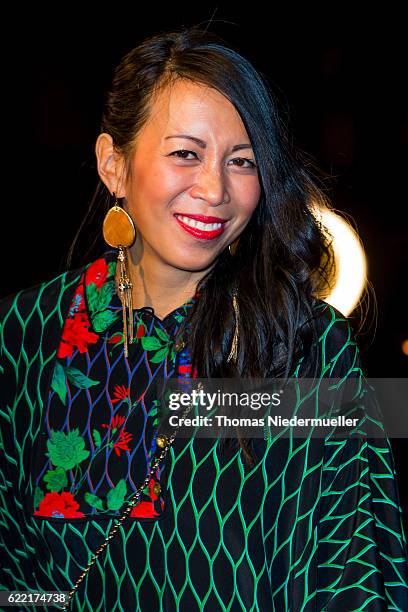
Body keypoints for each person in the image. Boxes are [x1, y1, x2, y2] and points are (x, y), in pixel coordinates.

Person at [0, 26, 407, 612]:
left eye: (241, 161)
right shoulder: (30, 329)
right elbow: (18, 579)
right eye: (185, 153)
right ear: (114, 165)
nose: (215, 189)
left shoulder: (307, 345)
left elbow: (348, 577)